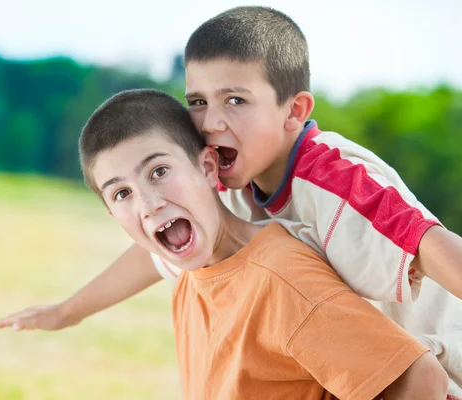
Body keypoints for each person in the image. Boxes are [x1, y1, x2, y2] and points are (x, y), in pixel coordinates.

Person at [0, 6, 462, 397]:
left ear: (295, 111)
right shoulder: (231, 189)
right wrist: (67, 311)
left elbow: (432, 244)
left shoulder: (335, 180)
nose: (212, 121)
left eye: (235, 100)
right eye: (197, 101)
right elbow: (151, 255)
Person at [81, 88, 447, 399]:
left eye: (159, 172)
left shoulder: (280, 280)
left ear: (208, 168)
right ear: (113, 213)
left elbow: (419, 378)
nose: (148, 205)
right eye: (122, 193)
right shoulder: (190, 277)